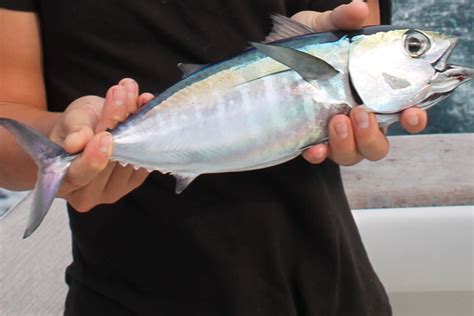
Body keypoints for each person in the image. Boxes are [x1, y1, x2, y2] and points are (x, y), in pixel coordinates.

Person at [0, 0, 427, 315]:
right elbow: (7, 118)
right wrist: (66, 141)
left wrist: (317, 42)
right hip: (129, 298)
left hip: (331, 291)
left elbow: (359, 32)